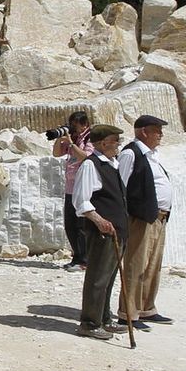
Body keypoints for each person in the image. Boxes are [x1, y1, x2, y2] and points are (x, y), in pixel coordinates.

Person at [72, 124, 129, 339]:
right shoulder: (91, 165)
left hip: (117, 231)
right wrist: (99, 220)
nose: (118, 144)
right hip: (103, 231)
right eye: (115, 140)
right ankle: (89, 322)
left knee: (109, 277)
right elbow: (81, 200)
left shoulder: (111, 164)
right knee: (97, 277)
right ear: (103, 143)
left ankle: (104, 318)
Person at [118, 115, 175, 329]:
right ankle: (128, 313)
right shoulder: (130, 154)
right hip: (140, 217)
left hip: (159, 217)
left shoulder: (151, 155)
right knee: (135, 264)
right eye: (157, 130)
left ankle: (146, 308)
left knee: (152, 265)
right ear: (143, 132)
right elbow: (121, 187)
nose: (161, 134)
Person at [53, 111, 92, 271]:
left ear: (84, 124)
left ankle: (85, 260)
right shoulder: (74, 138)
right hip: (70, 187)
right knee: (70, 224)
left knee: (81, 225)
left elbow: (86, 157)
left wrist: (71, 144)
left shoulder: (90, 138)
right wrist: (59, 139)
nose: (73, 130)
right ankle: (76, 257)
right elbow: (56, 153)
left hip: (83, 187)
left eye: (75, 126)